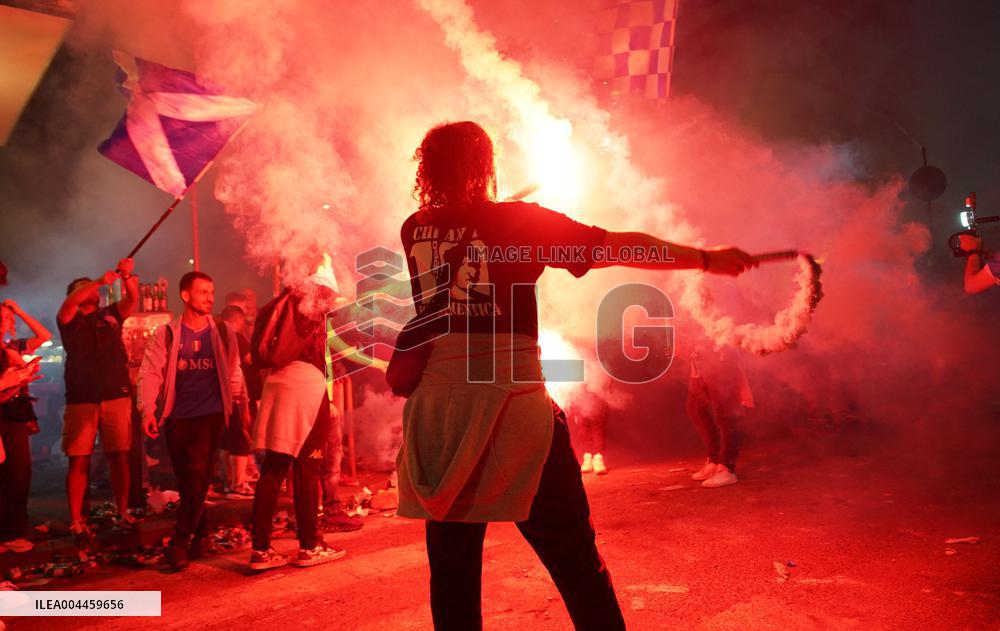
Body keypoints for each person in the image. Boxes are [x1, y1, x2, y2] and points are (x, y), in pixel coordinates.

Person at [395, 121, 756, 630]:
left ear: (426, 169)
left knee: (452, 572)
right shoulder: (519, 222)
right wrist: (703, 258)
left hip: (441, 410)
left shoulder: (414, 227)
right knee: (573, 557)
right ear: (484, 166)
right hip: (508, 406)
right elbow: (616, 246)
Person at [137, 271, 243, 571]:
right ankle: (201, 535)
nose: (210, 297)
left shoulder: (223, 332)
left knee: (198, 471)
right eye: (202, 292)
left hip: (210, 415)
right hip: (177, 416)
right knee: (188, 479)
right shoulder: (167, 334)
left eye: (212, 292)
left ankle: (180, 542)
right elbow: (150, 373)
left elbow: (234, 370)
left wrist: (235, 405)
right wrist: (147, 410)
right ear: (185, 295)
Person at [248, 277, 347, 571]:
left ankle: (261, 551)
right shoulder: (314, 295)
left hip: (278, 382)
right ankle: (310, 545)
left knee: (274, 468)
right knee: (308, 466)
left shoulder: (285, 299)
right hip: (305, 384)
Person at [57, 259, 139, 541]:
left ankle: (123, 511)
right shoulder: (69, 319)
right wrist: (98, 281)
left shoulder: (111, 314)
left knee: (119, 456)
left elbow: (133, 299)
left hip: (116, 395)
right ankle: (76, 519)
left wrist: (126, 277)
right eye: (82, 288)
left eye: (91, 287)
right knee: (79, 460)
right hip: (81, 398)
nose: (91, 291)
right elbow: (70, 303)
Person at [0, 300, 51, 553]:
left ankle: (13, 532)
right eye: (2, 317)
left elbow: (44, 336)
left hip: (17, 415)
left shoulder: (14, 345)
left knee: (19, 473)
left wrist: (19, 310)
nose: (4, 321)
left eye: (7, 318)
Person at [685, 343, 754, 488]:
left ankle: (726, 468)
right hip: (701, 365)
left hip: (721, 363)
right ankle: (714, 460)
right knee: (696, 409)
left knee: (725, 415)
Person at [217, 305, 254, 499]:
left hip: (222, 397)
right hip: (233, 396)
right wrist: (242, 401)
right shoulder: (233, 337)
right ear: (236, 320)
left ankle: (230, 482)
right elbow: (238, 368)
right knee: (240, 442)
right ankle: (238, 485)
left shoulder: (216, 335)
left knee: (227, 441)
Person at [571, 392, 610, 476]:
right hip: (580, 399)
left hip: (597, 397)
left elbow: (605, 382)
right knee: (583, 429)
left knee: (598, 427)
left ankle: (598, 459)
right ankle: (588, 459)